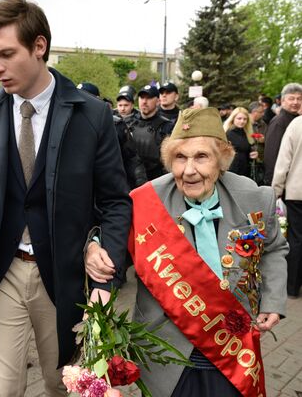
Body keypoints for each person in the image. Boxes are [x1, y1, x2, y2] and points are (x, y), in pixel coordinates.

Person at [0, 0, 132, 396]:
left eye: (6, 53)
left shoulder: (91, 114)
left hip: (64, 275)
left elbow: (115, 200)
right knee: (2, 390)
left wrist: (106, 268)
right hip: (1, 271)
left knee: (61, 383)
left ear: (39, 46)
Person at [85, 107, 287, 397]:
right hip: (165, 354)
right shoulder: (145, 201)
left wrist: (273, 299)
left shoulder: (254, 196)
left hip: (232, 351)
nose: (188, 170)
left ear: (221, 160)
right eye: (180, 157)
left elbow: (273, 249)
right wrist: (93, 246)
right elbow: (111, 238)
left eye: (201, 157)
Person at [78, 82, 147, 189]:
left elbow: (132, 158)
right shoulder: (68, 123)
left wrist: (140, 183)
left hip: (110, 186)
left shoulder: (115, 125)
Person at [272, 115, 302, 298]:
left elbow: (284, 160)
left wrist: (276, 190)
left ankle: (292, 287)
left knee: (296, 238)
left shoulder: (296, 124)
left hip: (297, 191)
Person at [125, 85, 174, 180]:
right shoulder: (128, 123)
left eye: (149, 98)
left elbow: (169, 160)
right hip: (130, 181)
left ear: (158, 101)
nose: (144, 102)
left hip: (156, 182)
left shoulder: (166, 126)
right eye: (142, 98)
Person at [263, 83, 302, 185]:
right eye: (291, 98)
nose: (295, 102)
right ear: (283, 101)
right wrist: (274, 185)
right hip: (283, 184)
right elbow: (271, 155)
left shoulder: (296, 120)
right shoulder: (279, 122)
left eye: (299, 99)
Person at [223, 107, 258, 178]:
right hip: (232, 172)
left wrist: (253, 155)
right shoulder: (227, 134)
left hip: (245, 171)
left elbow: (246, 151)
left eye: (245, 119)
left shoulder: (247, 133)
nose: (242, 121)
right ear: (233, 119)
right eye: (239, 118)